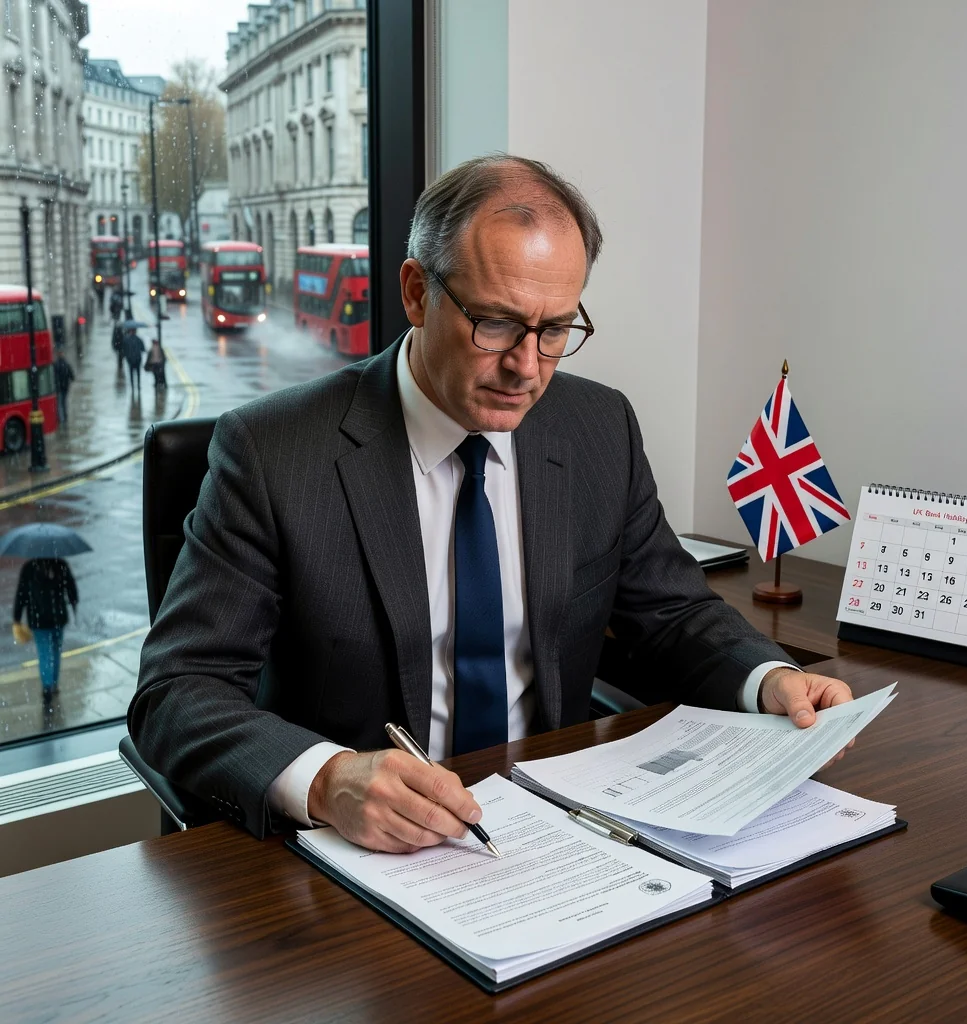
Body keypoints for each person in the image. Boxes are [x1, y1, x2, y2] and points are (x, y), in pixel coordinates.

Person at [130, 155, 855, 852]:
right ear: (417, 292)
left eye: (555, 330)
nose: (526, 366)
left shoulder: (599, 428)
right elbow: (177, 692)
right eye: (497, 323)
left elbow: (672, 614)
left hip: (557, 832)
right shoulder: (273, 452)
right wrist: (326, 779)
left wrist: (772, 681)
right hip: (359, 858)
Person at [13, 558, 78, 705]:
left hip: (38, 619)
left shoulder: (29, 568)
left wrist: (17, 618)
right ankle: (54, 684)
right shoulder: (60, 564)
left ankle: (47, 687)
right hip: (58, 617)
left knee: (44, 653)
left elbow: (21, 594)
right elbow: (71, 588)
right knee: (56, 650)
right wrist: (74, 606)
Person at [122, 327, 145, 396]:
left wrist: (127, 355)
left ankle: (133, 387)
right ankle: (138, 386)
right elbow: (143, 349)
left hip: (130, 360)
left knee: (131, 373)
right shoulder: (139, 339)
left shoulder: (126, 339)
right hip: (137, 359)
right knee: (138, 373)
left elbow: (124, 350)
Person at [54, 352, 75, 425]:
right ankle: (65, 417)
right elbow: (72, 376)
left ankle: (61, 418)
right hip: (65, 387)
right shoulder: (66, 364)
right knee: (64, 402)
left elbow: (54, 377)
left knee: (60, 403)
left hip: (59, 387)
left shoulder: (56, 365)